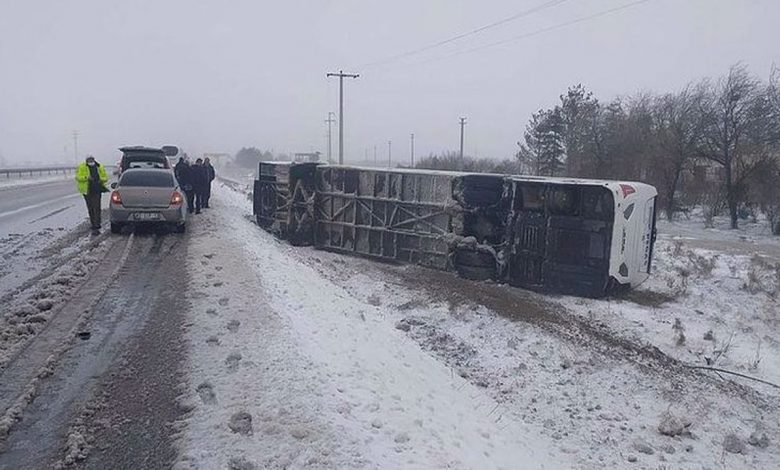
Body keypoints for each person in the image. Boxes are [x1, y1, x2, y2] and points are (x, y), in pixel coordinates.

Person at [75, 155, 109, 235]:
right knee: (90, 208)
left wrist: (101, 180)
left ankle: (97, 225)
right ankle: (93, 223)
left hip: (97, 190)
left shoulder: (99, 166)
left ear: (94, 160)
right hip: (87, 191)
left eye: (92, 160)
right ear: (86, 160)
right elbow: (78, 177)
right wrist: (87, 177)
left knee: (96, 207)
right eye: (89, 160)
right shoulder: (81, 167)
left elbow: (105, 177)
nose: (91, 161)